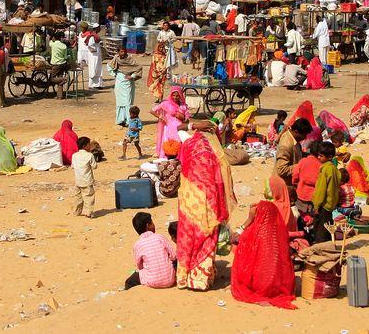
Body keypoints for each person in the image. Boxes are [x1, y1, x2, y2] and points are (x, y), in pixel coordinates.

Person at [176, 128, 235, 291]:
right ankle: (202, 279)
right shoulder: (210, 152)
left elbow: (184, 170)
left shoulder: (190, 146)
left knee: (188, 236)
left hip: (190, 197)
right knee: (207, 236)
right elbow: (219, 180)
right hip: (209, 199)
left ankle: (184, 277)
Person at [230, 200, 296, 309]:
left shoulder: (254, 233)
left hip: (259, 285)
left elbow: (234, 239)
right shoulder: (279, 233)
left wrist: (249, 219)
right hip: (278, 285)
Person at [125, 212, 176, 290]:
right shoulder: (160, 237)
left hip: (153, 282)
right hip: (170, 279)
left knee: (129, 281)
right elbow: (173, 256)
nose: (154, 225)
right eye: (152, 223)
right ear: (148, 226)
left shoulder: (137, 245)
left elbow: (140, 266)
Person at [311, 142, 340, 243]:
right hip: (331, 203)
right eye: (318, 155)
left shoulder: (325, 169)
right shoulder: (334, 169)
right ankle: (328, 244)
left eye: (321, 156)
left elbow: (321, 189)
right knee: (328, 226)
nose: (319, 157)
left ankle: (321, 248)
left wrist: (316, 205)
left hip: (323, 204)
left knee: (320, 229)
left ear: (330, 157)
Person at [274, 118, 311, 192]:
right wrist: (301, 166)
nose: (305, 138)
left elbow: (297, 153)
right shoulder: (286, 145)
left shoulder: (293, 138)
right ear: (296, 132)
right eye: (304, 135)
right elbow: (281, 170)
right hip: (284, 185)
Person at [152, 86, 190, 159]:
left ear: (180, 95)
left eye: (177, 95)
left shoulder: (183, 106)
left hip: (180, 129)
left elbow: (187, 119)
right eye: (173, 95)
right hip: (169, 129)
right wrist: (161, 117)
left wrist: (182, 117)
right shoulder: (166, 104)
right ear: (171, 95)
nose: (175, 97)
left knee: (179, 146)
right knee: (169, 146)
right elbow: (152, 110)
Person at [109, 47, 141, 126]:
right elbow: (109, 66)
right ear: (118, 52)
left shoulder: (130, 59)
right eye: (121, 51)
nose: (122, 53)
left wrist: (132, 76)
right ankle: (120, 120)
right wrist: (115, 74)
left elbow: (138, 67)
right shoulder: (116, 59)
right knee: (120, 101)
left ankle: (128, 121)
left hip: (128, 82)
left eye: (124, 51)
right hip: (119, 81)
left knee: (127, 101)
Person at [292, 142, 322, 213]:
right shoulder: (321, 166)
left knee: (300, 217)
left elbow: (295, 177)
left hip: (301, 194)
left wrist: (296, 185)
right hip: (314, 197)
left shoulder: (303, 161)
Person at [72, 137, 97, 218]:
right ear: (84, 146)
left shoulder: (74, 155)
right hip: (87, 180)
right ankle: (88, 213)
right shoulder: (90, 155)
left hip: (78, 180)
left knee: (78, 197)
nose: (90, 146)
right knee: (89, 197)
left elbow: (73, 166)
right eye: (89, 144)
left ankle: (77, 212)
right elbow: (94, 166)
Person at [78, 24, 103, 89]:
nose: (100, 29)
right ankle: (92, 85)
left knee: (98, 69)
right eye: (99, 28)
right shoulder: (92, 36)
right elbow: (90, 45)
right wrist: (95, 50)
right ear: (96, 28)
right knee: (93, 69)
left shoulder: (95, 35)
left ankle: (98, 84)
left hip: (97, 55)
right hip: (93, 55)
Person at [48, 33, 70, 100]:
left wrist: (52, 36)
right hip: (63, 64)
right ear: (60, 38)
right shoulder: (64, 46)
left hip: (55, 64)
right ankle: (60, 96)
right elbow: (65, 57)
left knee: (52, 79)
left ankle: (64, 79)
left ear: (55, 38)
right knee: (60, 80)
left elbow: (50, 41)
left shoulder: (53, 44)